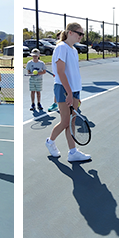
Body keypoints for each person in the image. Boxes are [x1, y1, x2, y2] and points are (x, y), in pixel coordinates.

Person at [43, 23, 91, 162]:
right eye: (79, 33)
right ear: (70, 32)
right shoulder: (61, 47)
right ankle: (50, 141)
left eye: (82, 34)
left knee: (72, 120)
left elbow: (73, 72)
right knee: (65, 121)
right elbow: (60, 71)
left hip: (75, 90)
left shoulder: (74, 50)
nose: (81, 36)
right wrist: (69, 93)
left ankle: (72, 152)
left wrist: (75, 92)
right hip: (64, 89)